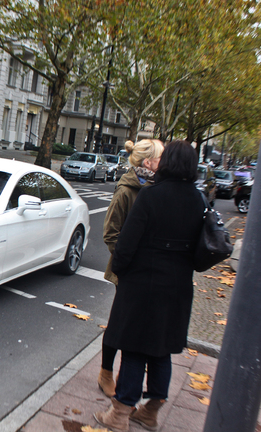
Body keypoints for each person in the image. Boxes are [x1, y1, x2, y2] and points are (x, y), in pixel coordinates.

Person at [95, 140, 205, 432]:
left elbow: (126, 245)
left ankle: (119, 414)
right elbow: (200, 251)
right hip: (177, 287)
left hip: (143, 284)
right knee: (161, 349)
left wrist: (121, 270)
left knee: (133, 347)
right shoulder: (199, 201)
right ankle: (152, 410)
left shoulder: (150, 196)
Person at [98, 139, 165, 398]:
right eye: (160, 157)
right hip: (127, 270)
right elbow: (110, 233)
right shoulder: (127, 190)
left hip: (146, 271)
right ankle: (105, 372)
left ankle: (125, 375)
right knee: (119, 322)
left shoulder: (156, 186)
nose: (164, 162)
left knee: (131, 324)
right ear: (147, 162)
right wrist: (126, 263)